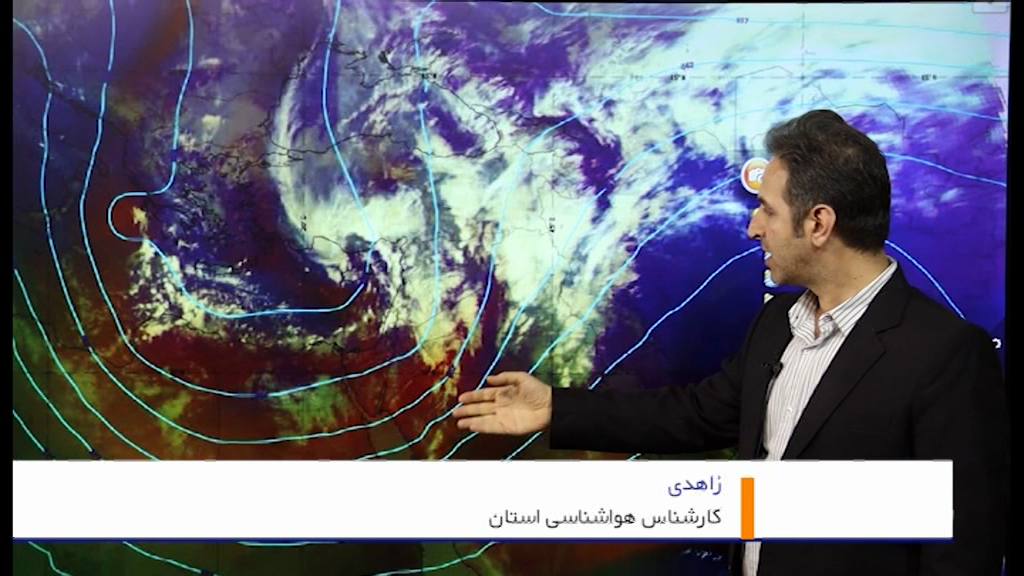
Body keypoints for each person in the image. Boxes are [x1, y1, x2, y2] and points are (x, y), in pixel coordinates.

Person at [452, 110, 1009, 576]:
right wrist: (556, 408)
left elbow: (964, 547)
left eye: (767, 210)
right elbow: (695, 414)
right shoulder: (777, 324)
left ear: (819, 223)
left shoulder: (946, 354)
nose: (753, 227)